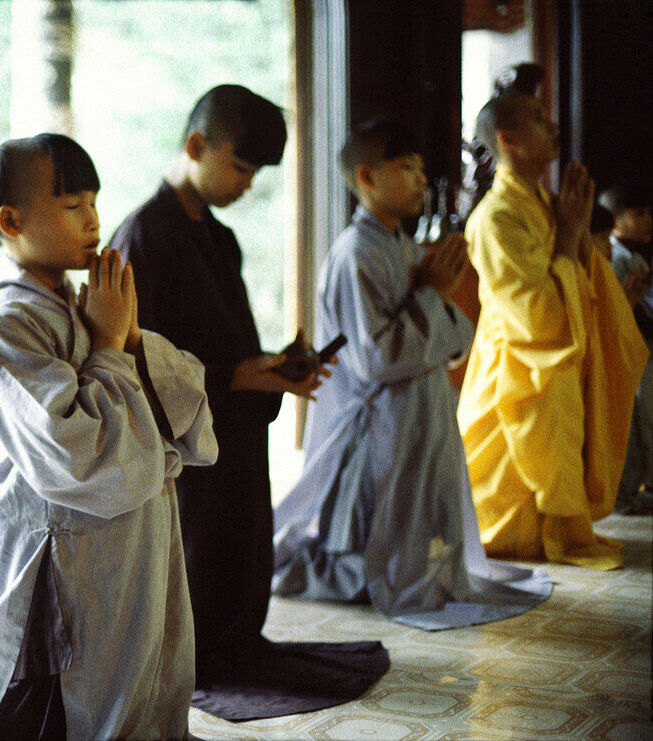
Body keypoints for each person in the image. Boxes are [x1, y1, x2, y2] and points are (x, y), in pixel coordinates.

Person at [0, 133, 218, 739]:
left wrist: (129, 340)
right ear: (11, 221)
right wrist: (110, 346)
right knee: (84, 670)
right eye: (71, 205)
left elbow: (178, 399)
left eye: (93, 202)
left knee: (145, 653)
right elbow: (69, 451)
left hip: (127, 526)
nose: (93, 220)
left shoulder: (78, 303)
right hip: (65, 538)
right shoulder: (8, 325)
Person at [111, 85, 389, 721]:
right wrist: (237, 376)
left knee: (241, 559)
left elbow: (225, 344)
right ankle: (196, 658)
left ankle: (232, 645)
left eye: (257, 173)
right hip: (186, 444)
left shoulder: (220, 238)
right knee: (201, 564)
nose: (247, 184)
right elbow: (132, 363)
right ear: (195, 145)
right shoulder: (141, 236)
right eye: (241, 167)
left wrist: (273, 365)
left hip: (234, 429)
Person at [272, 117, 552, 629]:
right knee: (372, 535)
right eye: (406, 168)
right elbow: (376, 360)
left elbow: (458, 341)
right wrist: (432, 295)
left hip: (420, 408)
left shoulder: (401, 244)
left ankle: (403, 572)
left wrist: (435, 294)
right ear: (367, 177)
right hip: (381, 418)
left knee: (416, 520)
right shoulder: (355, 253)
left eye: (422, 169)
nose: (422, 179)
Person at [456, 91, 647, 570]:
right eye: (539, 120)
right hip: (516, 369)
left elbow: (583, 283)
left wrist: (579, 237)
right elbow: (534, 315)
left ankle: (556, 529)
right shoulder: (494, 217)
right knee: (513, 505)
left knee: (561, 447)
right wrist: (567, 237)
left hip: (558, 360)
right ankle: (520, 534)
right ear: (509, 140)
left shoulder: (548, 203)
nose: (554, 127)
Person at [598, 184, 653, 514]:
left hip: (639, 351)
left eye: (649, 213)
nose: (648, 220)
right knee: (633, 423)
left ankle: (633, 488)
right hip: (627, 354)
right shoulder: (616, 260)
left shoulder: (635, 257)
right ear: (616, 222)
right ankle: (624, 492)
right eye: (638, 214)